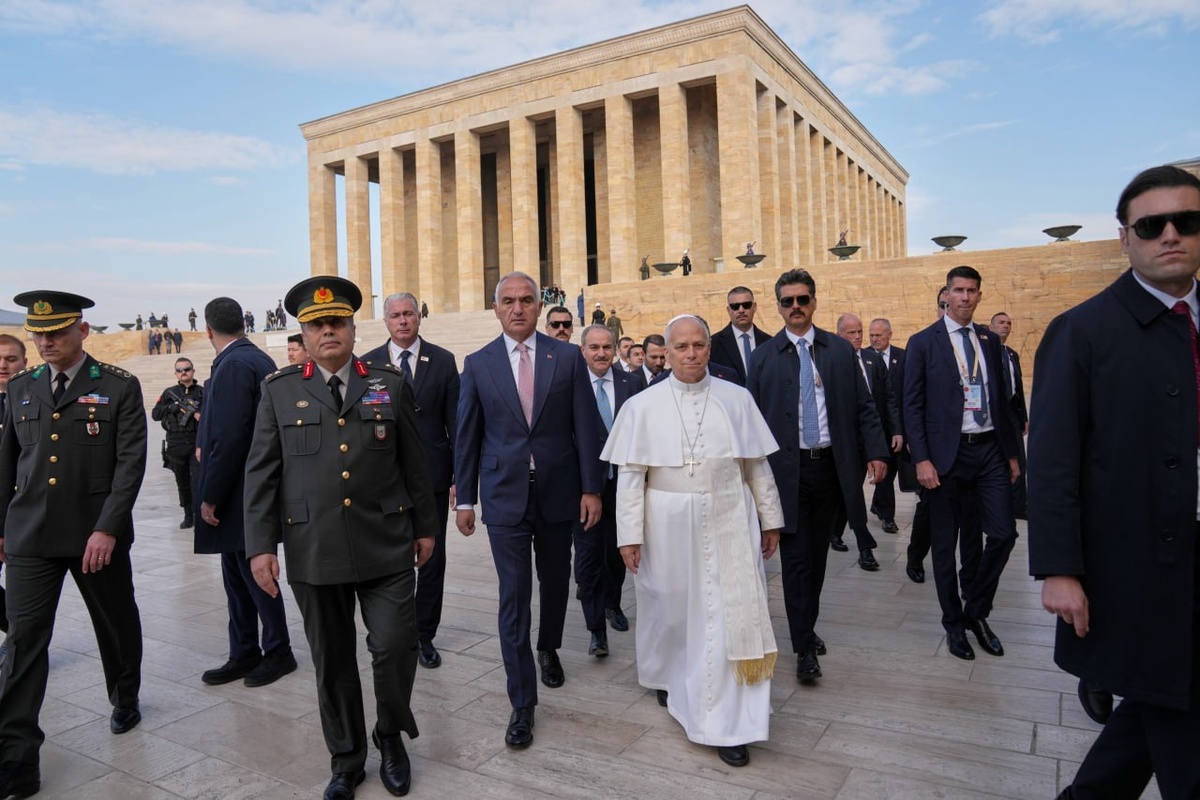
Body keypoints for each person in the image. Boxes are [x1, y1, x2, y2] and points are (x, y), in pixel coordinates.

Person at [1030, 164, 1200, 798]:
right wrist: (1060, 569)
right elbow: (1053, 459)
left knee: (1160, 703)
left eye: (1186, 221)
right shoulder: (1082, 330)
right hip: (1135, 567)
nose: (1170, 235)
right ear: (1125, 237)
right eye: (1151, 225)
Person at [245, 276, 438, 800]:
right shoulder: (279, 390)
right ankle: (347, 758)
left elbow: (415, 464)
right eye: (316, 325)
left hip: (385, 540)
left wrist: (425, 527)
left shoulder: (389, 383)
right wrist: (260, 546)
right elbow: (261, 474)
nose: (327, 330)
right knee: (332, 660)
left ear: (353, 329)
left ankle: (390, 735)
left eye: (337, 322)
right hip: (314, 546)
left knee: (395, 645)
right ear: (304, 335)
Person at [603, 314, 782, 767]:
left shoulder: (737, 399)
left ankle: (727, 722)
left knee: (724, 616)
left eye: (698, 345)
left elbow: (757, 466)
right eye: (681, 347)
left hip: (729, 515)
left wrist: (771, 521)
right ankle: (668, 676)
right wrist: (629, 536)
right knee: (670, 606)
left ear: (709, 348)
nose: (690, 354)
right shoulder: (642, 406)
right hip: (665, 522)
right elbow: (631, 477)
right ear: (667, 352)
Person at [0, 292, 147, 800]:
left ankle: (124, 695)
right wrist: (1, 526)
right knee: (23, 642)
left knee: (115, 622)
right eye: (39, 334)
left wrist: (108, 528)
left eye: (56, 332)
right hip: (31, 535)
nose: (46, 342)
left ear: (81, 331)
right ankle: (16, 758)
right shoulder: (22, 386)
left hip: (94, 536)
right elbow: (7, 462)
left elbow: (130, 463)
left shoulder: (117, 386)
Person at [455, 271, 603, 750]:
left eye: (526, 300)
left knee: (556, 582)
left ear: (540, 306)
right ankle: (522, 702)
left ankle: (548, 647)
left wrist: (592, 488)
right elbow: (468, 436)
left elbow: (585, 426)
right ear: (495, 308)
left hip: (559, 492)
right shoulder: (478, 364)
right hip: (504, 497)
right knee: (514, 597)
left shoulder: (567, 358)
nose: (517, 309)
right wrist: (465, 498)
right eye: (508, 301)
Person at [747, 270, 888, 682]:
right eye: (787, 301)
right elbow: (750, 423)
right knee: (795, 561)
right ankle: (804, 646)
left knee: (818, 558)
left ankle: (806, 626)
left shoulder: (839, 351)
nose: (795, 307)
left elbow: (864, 405)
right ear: (778, 306)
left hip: (829, 469)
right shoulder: (763, 357)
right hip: (785, 475)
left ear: (813, 302)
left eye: (802, 299)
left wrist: (876, 450)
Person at [903, 265, 1021, 661]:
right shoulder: (924, 342)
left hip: (988, 450)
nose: (965, 297)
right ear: (947, 295)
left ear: (979, 296)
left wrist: (1011, 453)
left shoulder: (989, 340)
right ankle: (954, 624)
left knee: (1003, 534)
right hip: (945, 457)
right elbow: (912, 405)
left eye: (972, 291)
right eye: (959, 290)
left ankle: (976, 611)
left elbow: (1002, 401)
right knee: (945, 544)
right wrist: (921, 459)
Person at [194, 297, 296, 689]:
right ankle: (244, 651)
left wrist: (211, 494)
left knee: (254, 574)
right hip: (247, 488)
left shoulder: (235, 364)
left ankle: (278, 650)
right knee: (237, 576)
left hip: (239, 491)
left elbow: (229, 437)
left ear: (208, 330)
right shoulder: (251, 359)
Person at [364, 291, 460, 669]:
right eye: (395, 315)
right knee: (390, 558)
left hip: (432, 478)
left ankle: (424, 634)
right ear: (385, 321)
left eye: (408, 314)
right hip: (384, 481)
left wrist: (459, 477)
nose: (403, 321)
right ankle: (393, 632)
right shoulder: (367, 364)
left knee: (432, 559)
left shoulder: (442, 360)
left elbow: (455, 423)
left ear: (419, 317)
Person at [574, 324, 644, 657]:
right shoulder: (572, 385)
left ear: (616, 350)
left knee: (619, 551)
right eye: (594, 348)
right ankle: (596, 630)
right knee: (588, 556)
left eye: (606, 347)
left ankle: (613, 604)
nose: (601, 353)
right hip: (584, 488)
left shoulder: (633, 383)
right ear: (583, 351)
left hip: (624, 485)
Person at [833, 312, 900, 570]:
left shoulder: (874, 360)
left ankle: (837, 532)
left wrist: (896, 430)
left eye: (860, 331)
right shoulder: (832, 362)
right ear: (839, 335)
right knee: (851, 490)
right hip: (846, 440)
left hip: (873, 435)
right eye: (851, 333)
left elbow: (889, 398)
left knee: (858, 487)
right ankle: (864, 546)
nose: (858, 336)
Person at [151, 357, 203, 528]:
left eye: (186, 369)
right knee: (182, 482)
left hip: (196, 443)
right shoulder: (169, 393)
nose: (183, 373)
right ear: (175, 374)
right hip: (176, 444)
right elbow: (155, 414)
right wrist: (170, 408)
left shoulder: (202, 393)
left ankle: (198, 515)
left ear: (193, 371)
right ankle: (188, 515)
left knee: (197, 482)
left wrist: (199, 414)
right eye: (180, 370)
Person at [0, 334, 28, 632]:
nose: (3, 365)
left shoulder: (35, 401)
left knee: (27, 590)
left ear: (24, 362)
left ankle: (23, 640)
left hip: (25, 510)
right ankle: (18, 633)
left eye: (10, 359)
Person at [989, 312, 1028, 520]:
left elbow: (1018, 387)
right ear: (991, 326)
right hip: (995, 412)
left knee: (1019, 458)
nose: (1006, 326)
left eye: (1009, 323)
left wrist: (1023, 417)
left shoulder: (1012, 354)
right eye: (1001, 323)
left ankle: (1019, 505)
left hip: (1012, 412)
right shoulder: (987, 352)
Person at [868, 317, 905, 533]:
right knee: (883, 470)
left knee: (889, 473)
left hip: (894, 426)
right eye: (871, 335)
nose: (874, 339)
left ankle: (878, 504)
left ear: (889, 335)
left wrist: (900, 429)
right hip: (873, 427)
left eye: (879, 335)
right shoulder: (862, 357)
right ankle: (888, 517)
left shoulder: (903, 357)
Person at [709, 286, 772, 386]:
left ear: (754, 307)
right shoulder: (714, 345)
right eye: (735, 306)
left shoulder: (769, 343)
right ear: (728, 310)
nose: (741, 310)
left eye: (746, 305)